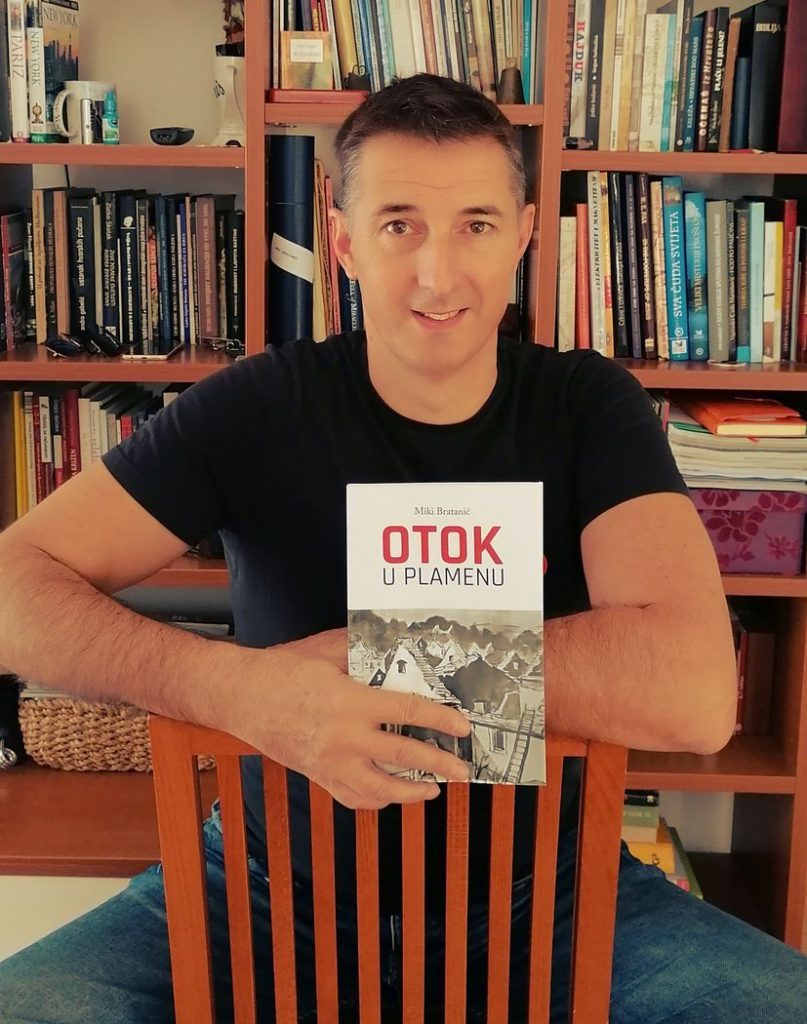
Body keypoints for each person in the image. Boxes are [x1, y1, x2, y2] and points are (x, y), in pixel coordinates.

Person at [0, 72, 805, 1023]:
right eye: (398, 225)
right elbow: (13, 586)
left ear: (524, 234)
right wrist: (236, 689)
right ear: (343, 241)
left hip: (544, 894)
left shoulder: (589, 405)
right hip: (260, 888)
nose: (437, 273)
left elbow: (694, 692)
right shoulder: (255, 404)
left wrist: (370, 662)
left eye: (475, 224)